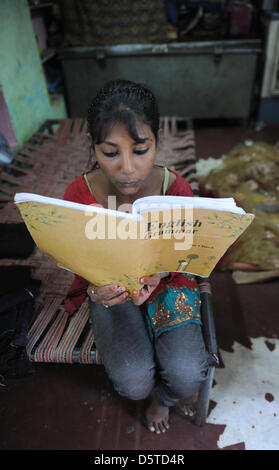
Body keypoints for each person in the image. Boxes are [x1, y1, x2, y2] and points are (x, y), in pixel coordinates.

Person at [63, 80, 209, 434]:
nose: (127, 168)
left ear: (157, 140)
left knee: (188, 374)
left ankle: (165, 399)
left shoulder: (175, 190)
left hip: (166, 282)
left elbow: (183, 255)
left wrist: (160, 273)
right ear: (93, 148)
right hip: (109, 288)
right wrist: (97, 292)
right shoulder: (78, 194)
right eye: (111, 153)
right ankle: (151, 394)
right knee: (132, 384)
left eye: (140, 150)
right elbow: (75, 258)